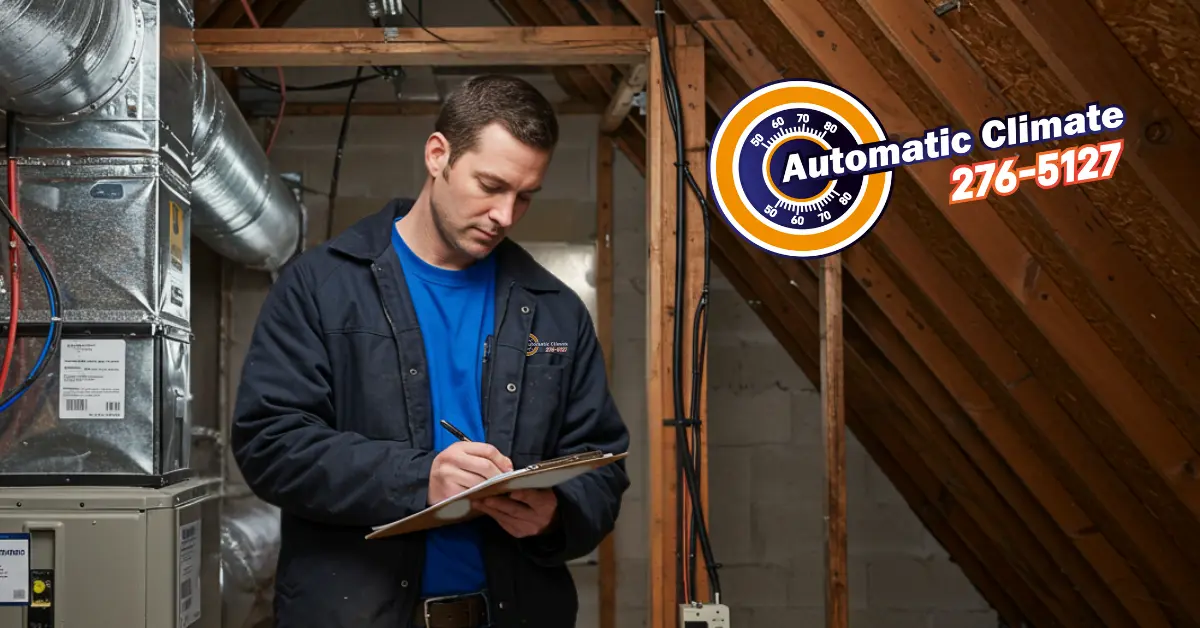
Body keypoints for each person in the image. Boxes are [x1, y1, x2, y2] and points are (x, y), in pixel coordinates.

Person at [230, 74, 630, 628]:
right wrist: (420, 479)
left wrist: (558, 514)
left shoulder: (554, 308)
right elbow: (269, 444)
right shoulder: (319, 287)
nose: (506, 216)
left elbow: (602, 463)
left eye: (525, 196)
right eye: (490, 185)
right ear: (438, 155)